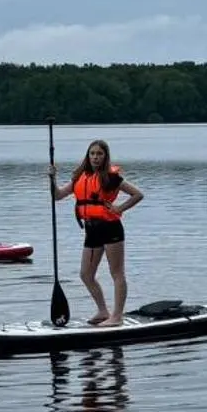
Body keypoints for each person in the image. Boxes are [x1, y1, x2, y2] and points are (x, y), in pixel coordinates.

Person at [48, 138, 143, 325]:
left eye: (99, 154)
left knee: (117, 273)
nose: (95, 157)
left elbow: (137, 194)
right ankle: (102, 311)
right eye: (92, 153)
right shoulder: (80, 177)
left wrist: (120, 208)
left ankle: (117, 317)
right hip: (92, 231)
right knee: (86, 274)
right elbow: (57, 196)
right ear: (88, 156)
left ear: (105, 156)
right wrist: (52, 179)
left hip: (111, 228)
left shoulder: (111, 177)